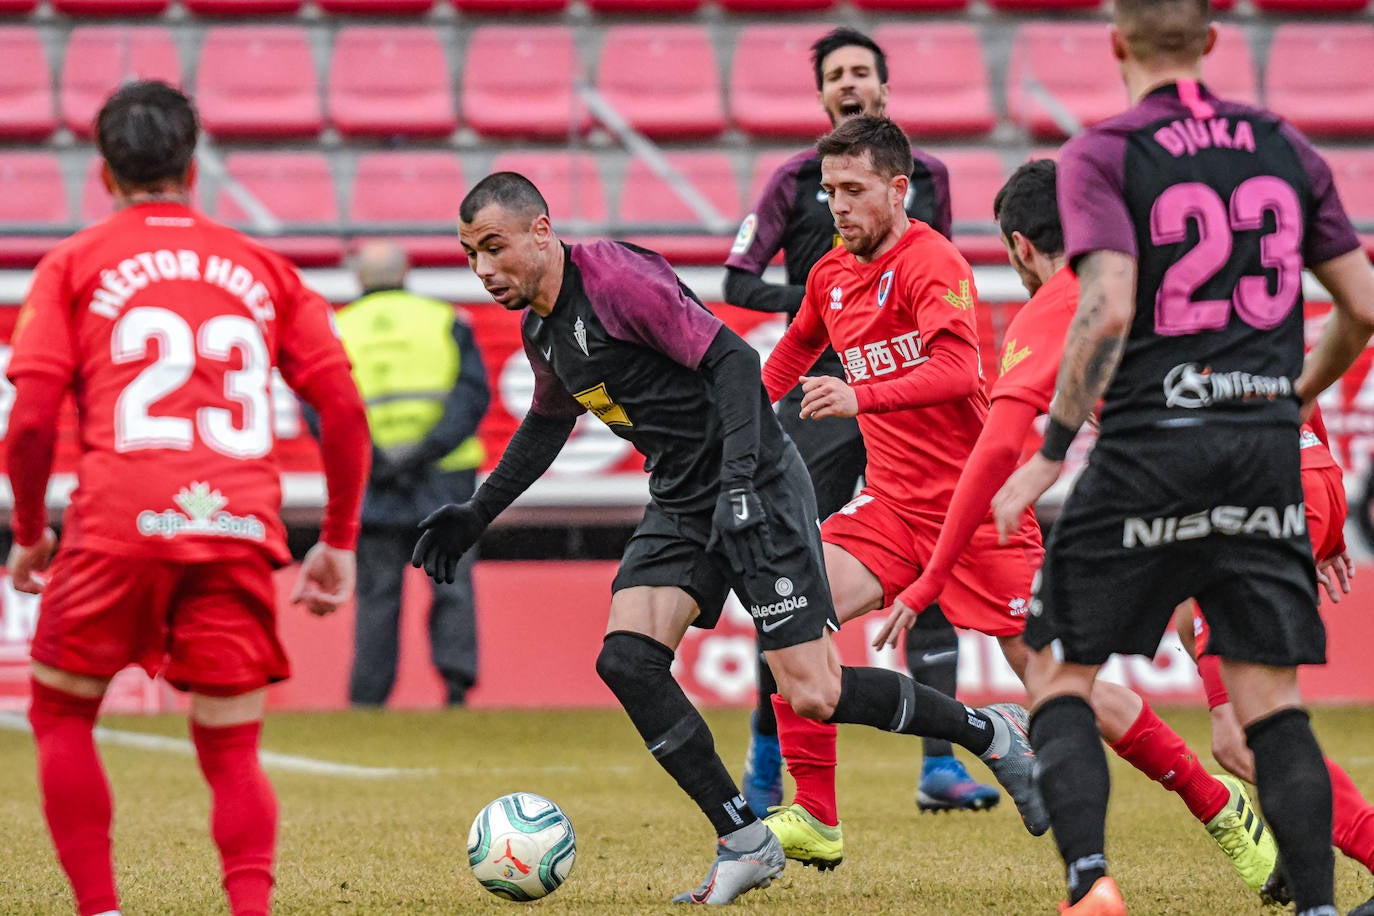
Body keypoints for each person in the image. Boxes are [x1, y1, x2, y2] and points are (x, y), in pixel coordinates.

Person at [414, 170, 1043, 905]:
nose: (484, 270)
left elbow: (735, 364)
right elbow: (551, 420)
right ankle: (744, 839)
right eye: (469, 255)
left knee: (814, 692)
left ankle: (988, 731)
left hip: (758, 483)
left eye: (494, 248)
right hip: (682, 496)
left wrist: (742, 481)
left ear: (541, 231)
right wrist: (477, 509)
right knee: (627, 660)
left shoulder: (615, 281)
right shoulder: (543, 329)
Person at [757, 118, 1274, 890]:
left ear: (898, 190)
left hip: (983, 515)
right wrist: (739, 420)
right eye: (829, 191)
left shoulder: (933, 262)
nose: (838, 205)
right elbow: (798, 345)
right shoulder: (831, 274)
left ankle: (1219, 805)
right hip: (894, 508)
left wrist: (858, 393)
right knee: (790, 606)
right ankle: (819, 815)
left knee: (1063, 687)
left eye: (854, 190)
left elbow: (959, 371)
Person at [987, 2, 1374, 911]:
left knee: (1057, 673)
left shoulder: (1104, 154)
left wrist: (1048, 452)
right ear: (1209, 42)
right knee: (1269, 706)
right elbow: (1360, 306)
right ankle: (1318, 905)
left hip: (1149, 449)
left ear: (1118, 44)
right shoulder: (1285, 146)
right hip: (1262, 455)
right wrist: (1293, 395)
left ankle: (1091, 885)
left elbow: (1108, 307)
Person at [4, 80, 370, 916]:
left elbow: (28, 422)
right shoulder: (263, 268)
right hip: (234, 521)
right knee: (232, 749)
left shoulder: (72, 263)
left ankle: (102, 909)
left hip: (114, 523)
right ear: (193, 167)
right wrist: (338, 539)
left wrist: (29, 530)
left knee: (61, 716)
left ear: (102, 172)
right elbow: (343, 410)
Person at [724, 26, 993, 818]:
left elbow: (936, 281)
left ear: (883, 87)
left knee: (933, 572)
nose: (849, 82)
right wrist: (823, 314)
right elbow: (740, 278)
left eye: (861, 72)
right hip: (822, 398)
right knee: (786, 572)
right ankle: (770, 767)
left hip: (909, 395)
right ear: (821, 94)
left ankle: (940, 763)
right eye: (836, 74)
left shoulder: (927, 181)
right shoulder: (790, 180)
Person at [1172, 409, 1374, 915]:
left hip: (1262, 496)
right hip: (1302, 473)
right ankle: (1299, 835)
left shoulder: (1120, 349)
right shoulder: (1233, 332)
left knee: (1239, 739)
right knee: (1254, 713)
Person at [329, 240, 490, 708]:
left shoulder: (337, 328)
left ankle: (367, 700)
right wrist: (423, 453)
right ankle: (457, 690)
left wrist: (377, 460)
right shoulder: (446, 320)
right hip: (444, 477)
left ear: (359, 278)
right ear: (408, 271)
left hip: (373, 478)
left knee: (377, 595)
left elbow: (323, 407)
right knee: (452, 584)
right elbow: (471, 397)